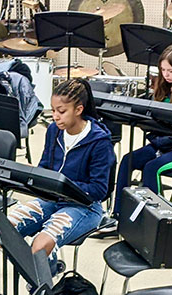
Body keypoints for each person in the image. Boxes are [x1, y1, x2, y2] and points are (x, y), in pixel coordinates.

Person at [7, 78, 116, 275]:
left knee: (40, 246)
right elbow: (45, 166)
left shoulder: (100, 142)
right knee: (4, 231)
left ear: (79, 109)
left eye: (61, 111)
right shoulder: (53, 131)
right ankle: (47, 270)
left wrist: (63, 185)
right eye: (53, 110)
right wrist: (33, 175)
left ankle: (41, 288)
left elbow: (100, 189)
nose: (55, 116)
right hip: (52, 198)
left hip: (84, 206)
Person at [112, 43, 172, 214]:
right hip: (161, 146)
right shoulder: (163, 89)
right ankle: (119, 215)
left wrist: (164, 138)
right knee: (128, 161)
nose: (166, 75)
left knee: (152, 168)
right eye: (163, 70)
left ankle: (154, 220)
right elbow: (151, 121)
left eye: (171, 71)